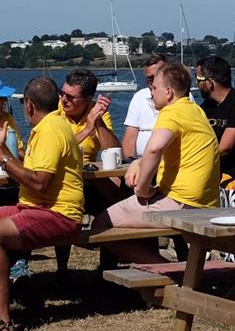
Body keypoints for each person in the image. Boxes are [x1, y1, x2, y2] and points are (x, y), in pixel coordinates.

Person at [0, 76, 84, 331]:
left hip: (58, 213)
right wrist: (2, 151)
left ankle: (2, 318)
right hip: (34, 205)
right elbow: (28, 175)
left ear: (28, 105)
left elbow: (38, 182)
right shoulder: (47, 126)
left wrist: (1, 159)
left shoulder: (51, 130)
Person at [92, 63, 220, 263]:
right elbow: (168, 149)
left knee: (101, 224)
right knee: (129, 219)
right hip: (205, 202)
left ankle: (166, 270)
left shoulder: (171, 112)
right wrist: (139, 163)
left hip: (181, 203)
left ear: (168, 92)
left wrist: (142, 190)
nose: (150, 93)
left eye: (153, 88)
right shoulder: (195, 110)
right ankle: (169, 270)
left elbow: (154, 148)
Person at [57, 68, 120, 162]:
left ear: (87, 99)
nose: (64, 99)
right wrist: (87, 130)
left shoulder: (97, 110)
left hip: (88, 171)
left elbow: (115, 154)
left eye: (70, 97)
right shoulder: (54, 108)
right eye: (62, 93)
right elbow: (57, 147)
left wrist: (98, 120)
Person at [122, 53, 168, 159]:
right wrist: (131, 163)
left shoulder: (181, 96)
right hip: (140, 161)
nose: (151, 82)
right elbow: (130, 136)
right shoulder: (139, 97)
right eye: (148, 78)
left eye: (154, 77)